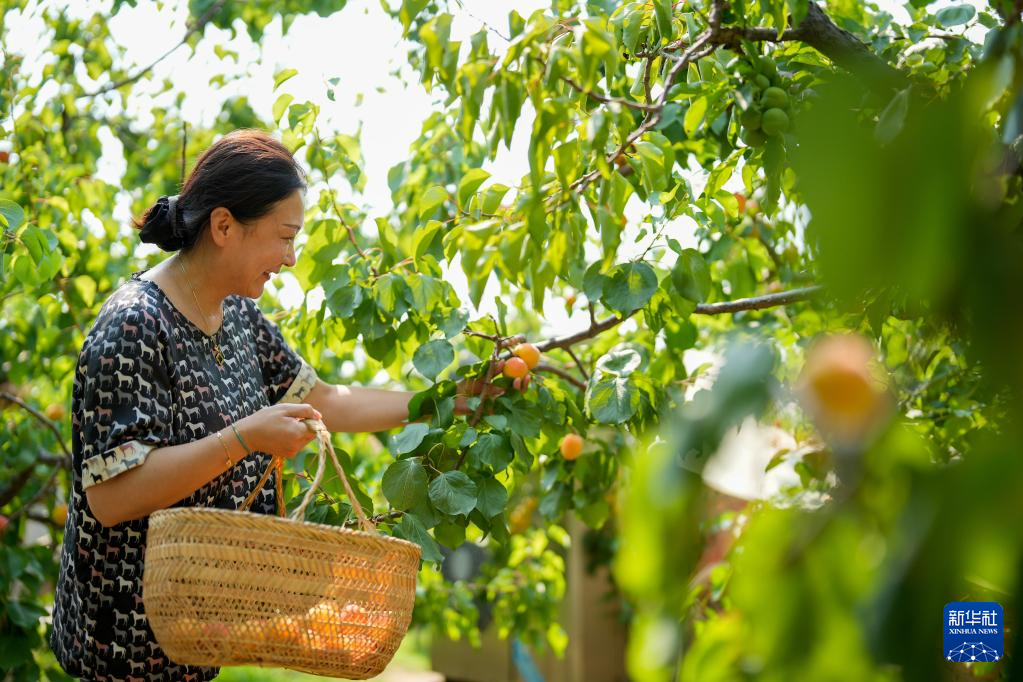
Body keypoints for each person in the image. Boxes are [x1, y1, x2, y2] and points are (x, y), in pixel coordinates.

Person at [49, 129, 499, 681]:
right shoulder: (134, 324)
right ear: (223, 226)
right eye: (285, 237)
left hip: (194, 642)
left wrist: (448, 400)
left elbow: (325, 401)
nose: (290, 258)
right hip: (123, 651)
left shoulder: (238, 316)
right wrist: (244, 438)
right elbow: (112, 496)